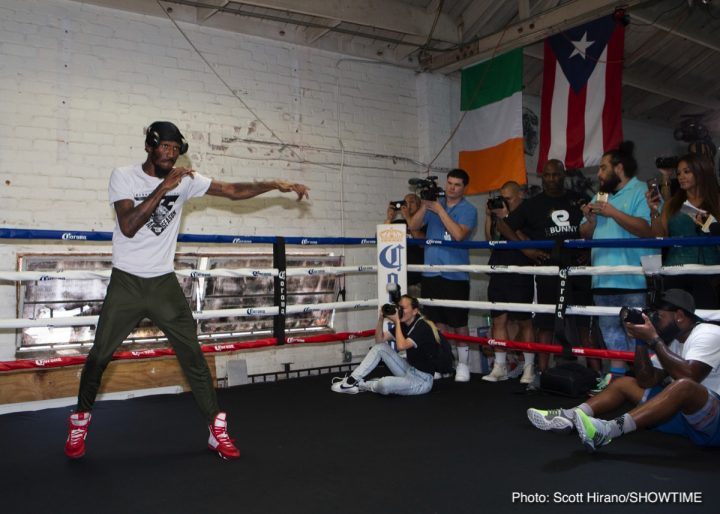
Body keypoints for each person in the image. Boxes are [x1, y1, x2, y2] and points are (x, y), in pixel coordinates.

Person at [64, 121, 310, 460]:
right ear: (150, 146)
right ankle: (80, 419)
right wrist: (164, 187)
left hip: (163, 283)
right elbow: (129, 225)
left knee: (193, 355)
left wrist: (274, 185)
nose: (170, 153)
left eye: (175, 149)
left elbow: (232, 191)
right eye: (164, 147)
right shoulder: (124, 176)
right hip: (127, 283)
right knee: (99, 357)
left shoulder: (186, 181)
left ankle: (215, 428)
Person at [526, 289, 720, 452]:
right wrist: (640, 341)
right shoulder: (673, 342)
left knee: (683, 386)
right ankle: (569, 416)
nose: (655, 323)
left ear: (679, 316)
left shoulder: (707, 333)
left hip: (715, 423)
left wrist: (654, 339)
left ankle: (607, 431)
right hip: (690, 420)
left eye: (659, 317)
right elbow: (647, 381)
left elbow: (691, 376)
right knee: (623, 384)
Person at [493, 161, 591, 384]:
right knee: (545, 322)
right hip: (549, 267)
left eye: (555, 175)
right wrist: (526, 249)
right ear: (542, 177)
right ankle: (543, 373)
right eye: (547, 175)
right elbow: (504, 225)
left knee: (584, 323)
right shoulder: (533, 204)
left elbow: (594, 226)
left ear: (563, 175)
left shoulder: (579, 198)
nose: (551, 179)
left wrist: (588, 249)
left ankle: (598, 374)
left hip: (578, 266)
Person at [579, 141, 657, 388]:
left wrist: (612, 212)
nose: (599, 174)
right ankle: (616, 377)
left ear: (619, 168)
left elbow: (647, 229)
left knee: (636, 332)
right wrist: (590, 220)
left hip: (632, 277)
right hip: (602, 276)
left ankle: (643, 379)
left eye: (603, 168)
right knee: (609, 330)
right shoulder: (599, 196)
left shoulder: (641, 191)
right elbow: (585, 233)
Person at [408, 169, 478, 382]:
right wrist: (425, 204)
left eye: (457, 184)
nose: (451, 188)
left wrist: (439, 210)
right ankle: (444, 362)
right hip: (431, 272)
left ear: (464, 187)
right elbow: (413, 226)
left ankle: (463, 365)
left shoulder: (469, 209)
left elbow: (458, 235)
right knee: (437, 323)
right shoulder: (434, 204)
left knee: (459, 322)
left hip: (454, 274)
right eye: (449, 183)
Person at [647, 153, 720, 309]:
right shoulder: (671, 204)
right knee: (675, 323)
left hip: (709, 272)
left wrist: (708, 224)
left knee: (707, 322)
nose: (681, 177)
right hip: (675, 271)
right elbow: (660, 236)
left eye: (687, 172)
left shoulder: (716, 200)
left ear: (701, 172)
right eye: (679, 173)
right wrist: (654, 212)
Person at [330, 295, 441, 396]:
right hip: (409, 370)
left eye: (404, 308)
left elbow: (401, 346)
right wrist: (381, 318)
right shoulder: (404, 324)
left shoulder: (422, 327)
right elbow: (379, 341)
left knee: (384, 384)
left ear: (415, 311)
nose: (400, 310)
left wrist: (397, 321)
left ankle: (362, 385)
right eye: (399, 307)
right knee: (380, 348)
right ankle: (352, 381)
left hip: (422, 381)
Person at [482, 181, 535, 383]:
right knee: (499, 319)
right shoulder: (499, 214)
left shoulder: (528, 214)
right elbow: (490, 241)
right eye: (502, 198)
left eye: (509, 198)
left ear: (520, 195)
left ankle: (529, 367)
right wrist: (490, 218)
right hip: (498, 269)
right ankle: (500, 365)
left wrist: (508, 219)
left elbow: (528, 243)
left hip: (520, 270)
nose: (505, 202)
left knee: (524, 321)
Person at [385, 193, 425, 298]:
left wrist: (408, 217)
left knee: (416, 311)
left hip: (417, 279)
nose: (408, 205)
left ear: (419, 206)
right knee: (397, 310)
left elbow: (422, 243)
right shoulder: (398, 223)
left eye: (412, 202)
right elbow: (380, 238)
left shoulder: (424, 223)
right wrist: (389, 218)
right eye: (405, 202)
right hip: (397, 277)